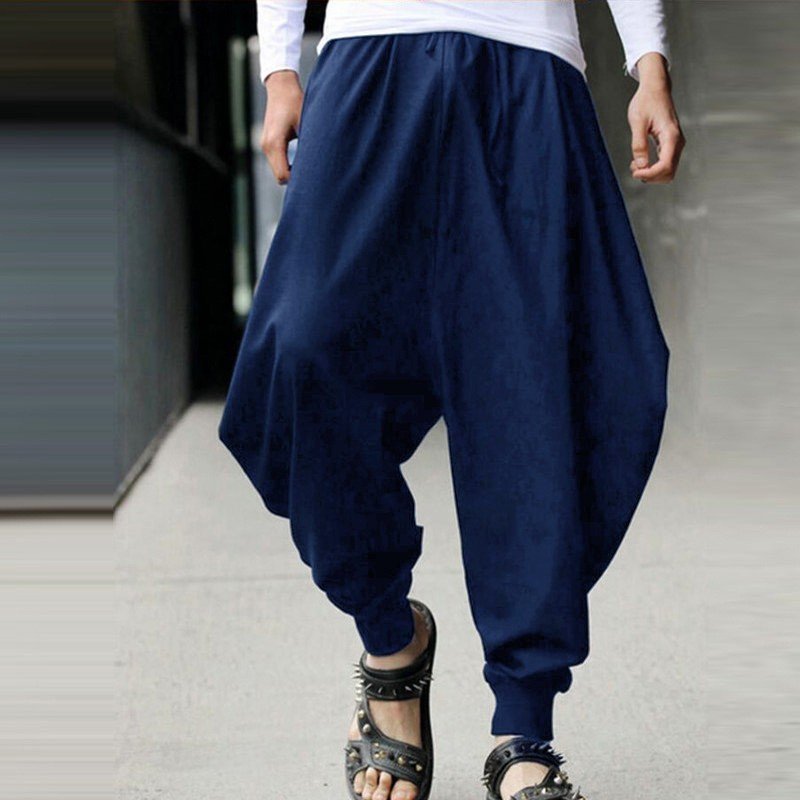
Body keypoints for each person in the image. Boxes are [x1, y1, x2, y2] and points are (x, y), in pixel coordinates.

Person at [219, 2, 686, 799]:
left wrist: (649, 61)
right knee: (300, 355)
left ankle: (523, 725)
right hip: (370, 59)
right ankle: (390, 640)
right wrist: (281, 67)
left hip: (528, 63)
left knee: (535, 388)